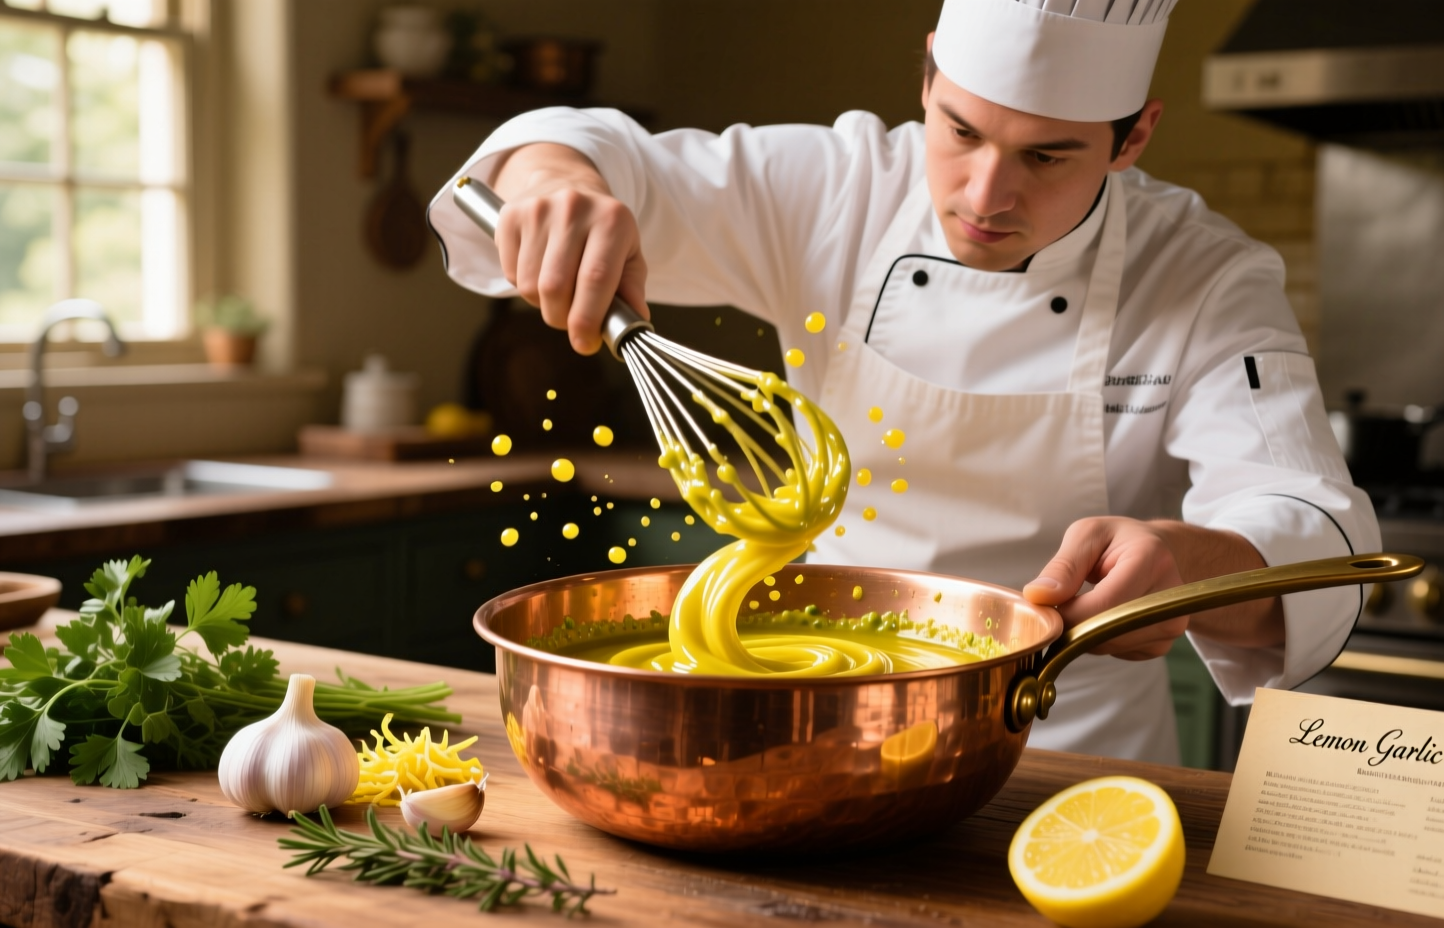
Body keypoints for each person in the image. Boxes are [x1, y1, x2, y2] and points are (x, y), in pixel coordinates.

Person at [427, 0, 1378, 763]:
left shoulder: (1205, 276)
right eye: (959, 130)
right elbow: (588, 147)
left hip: (1070, 752)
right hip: (819, 730)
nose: (983, 195)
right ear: (927, 74)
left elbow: (1313, 526)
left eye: (1047, 156)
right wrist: (555, 177)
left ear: (1133, 139)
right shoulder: (835, 187)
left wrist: (1189, 563)